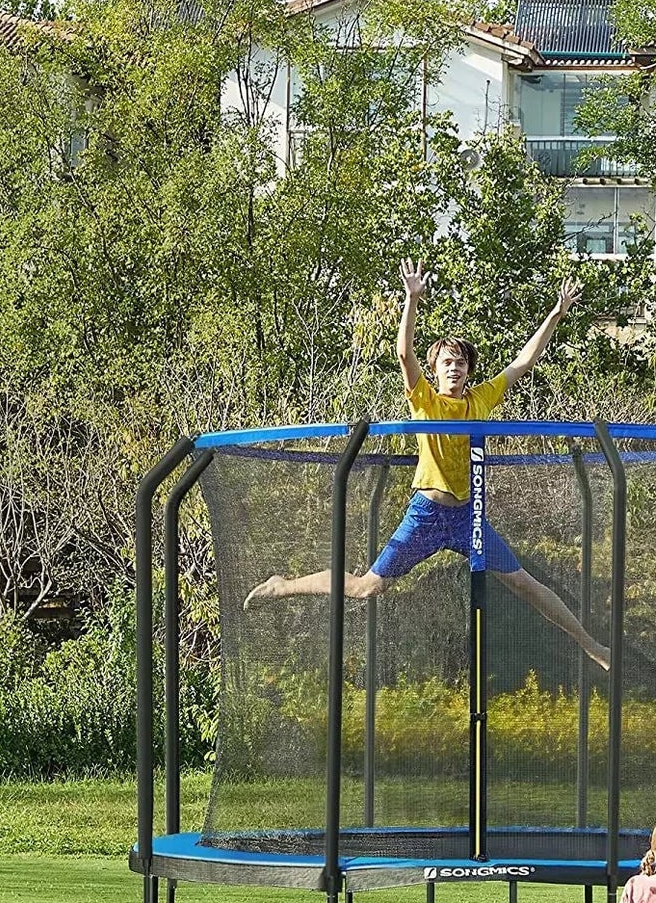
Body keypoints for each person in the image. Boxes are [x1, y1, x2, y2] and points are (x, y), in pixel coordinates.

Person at [244, 257, 610, 669]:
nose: (454, 368)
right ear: (435, 370)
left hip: (468, 517)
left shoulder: (480, 399)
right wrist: (411, 299)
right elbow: (404, 354)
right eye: (446, 362)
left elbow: (523, 362)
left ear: (469, 370)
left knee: (524, 583)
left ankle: (591, 646)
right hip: (428, 514)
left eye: (461, 362)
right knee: (366, 587)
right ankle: (283, 586)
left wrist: (556, 314)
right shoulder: (425, 399)